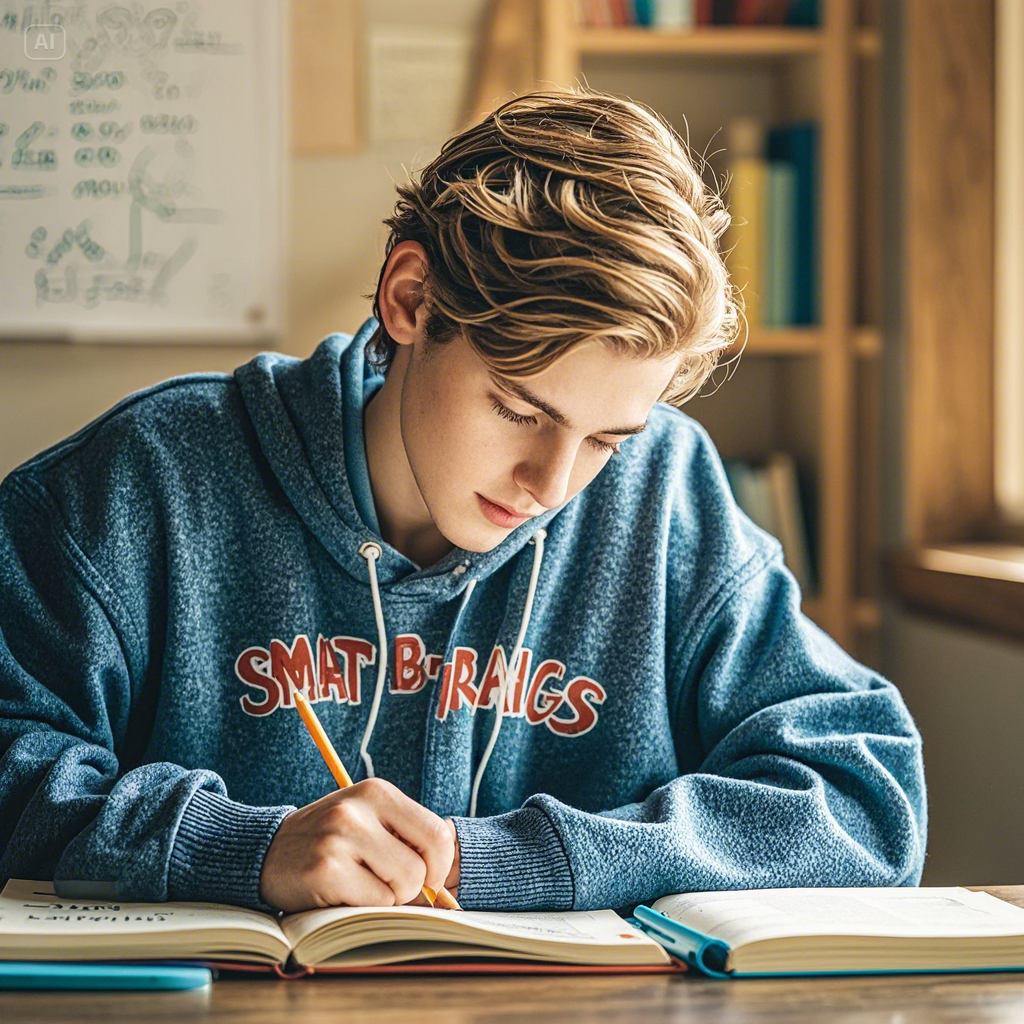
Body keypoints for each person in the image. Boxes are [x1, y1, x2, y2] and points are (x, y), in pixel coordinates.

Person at [0, 89, 926, 916]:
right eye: (520, 410)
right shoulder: (141, 480)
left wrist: (527, 860)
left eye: (605, 440)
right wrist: (242, 847)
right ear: (410, 299)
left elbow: (866, 796)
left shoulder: (667, 492)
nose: (550, 486)